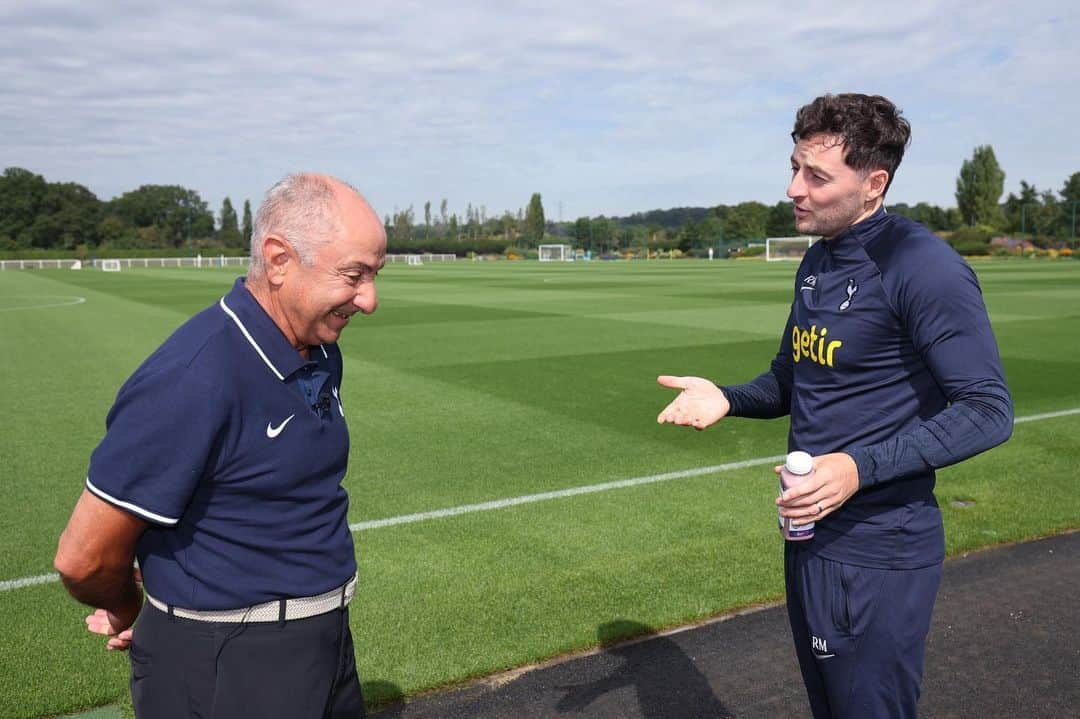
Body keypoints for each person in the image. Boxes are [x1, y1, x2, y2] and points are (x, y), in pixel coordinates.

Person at [656, 93, 1013, 718]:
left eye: (817, 176)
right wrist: (728, 399)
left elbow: (987, 410)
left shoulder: (922, 266)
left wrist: (855, 468)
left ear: (873, 183)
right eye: (794, 167)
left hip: (881, 547)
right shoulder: (818, 261)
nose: (794, 188)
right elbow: (790, 383)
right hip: (811, 535)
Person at [54, 172, 386, 718]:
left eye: (374, 275)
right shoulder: (192, 377)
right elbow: (82, 559)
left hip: (325, 645)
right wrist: (129, 605)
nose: (369, 300)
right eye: (354, 275)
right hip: (229, 665)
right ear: (278, 260)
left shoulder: (320, 349)